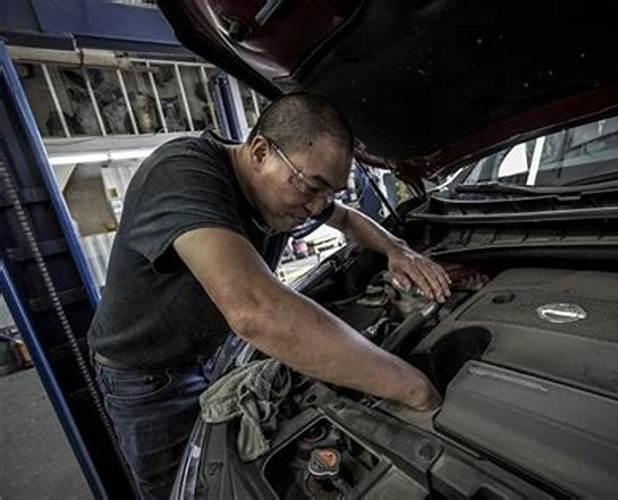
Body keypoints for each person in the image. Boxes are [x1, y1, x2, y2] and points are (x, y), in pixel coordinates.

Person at [87, 93, 451, 499]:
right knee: (184, 491)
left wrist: (394, 249)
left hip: (216, 353)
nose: (316, 207)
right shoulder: (181, 174)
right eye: (312, 187)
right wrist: (411, 387)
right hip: (149, 380)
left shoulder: (283, 184)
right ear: (260, 151)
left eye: (328, 193)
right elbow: (254, 312)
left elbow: (346, 218)